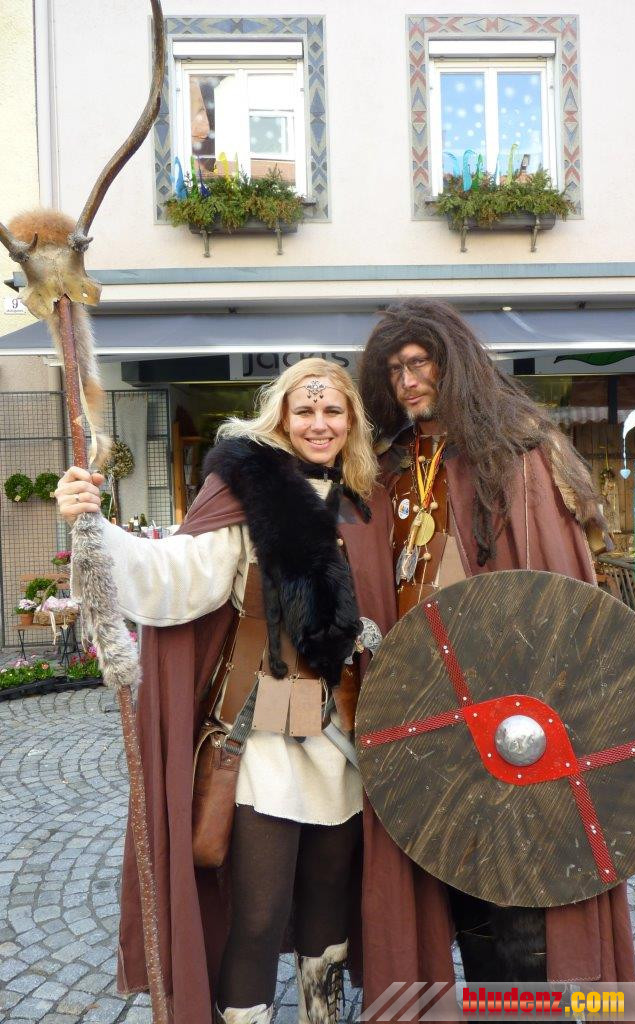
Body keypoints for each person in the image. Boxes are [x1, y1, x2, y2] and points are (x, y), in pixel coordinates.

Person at [55, 358, 454, 1024]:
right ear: (282, 418)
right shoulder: (247, 494)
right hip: (261, 738)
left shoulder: (367, 502)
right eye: (305, 410)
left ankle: (323, 1015)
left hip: (348, 740)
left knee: (329, 906)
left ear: (351, 421)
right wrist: (97, 530)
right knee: (260, 914)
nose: (319, 424)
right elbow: (175, 574)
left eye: (332, 411)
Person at [359, 299, 635, 987]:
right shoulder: (392, 466)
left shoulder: (516, 451)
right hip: (425, 712)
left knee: (522, 889)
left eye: (419, 363)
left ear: (452, 363)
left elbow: (551, 586)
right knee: (455, 882)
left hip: (513, 708)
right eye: (394, 370)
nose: (407, 382)